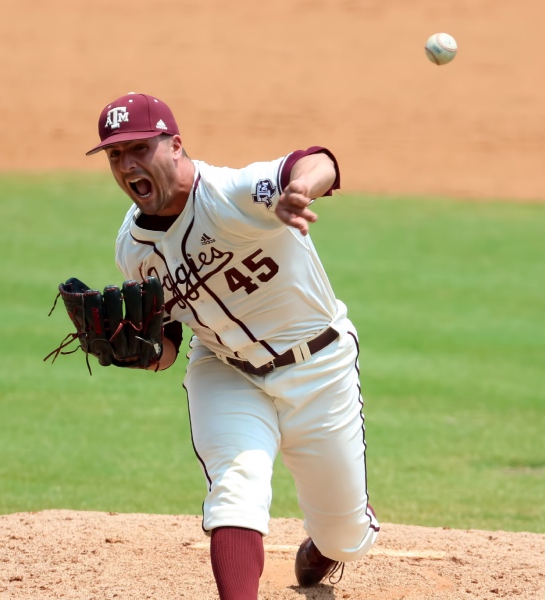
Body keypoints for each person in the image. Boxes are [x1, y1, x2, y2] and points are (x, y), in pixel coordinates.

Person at [86, 92, 379, 599]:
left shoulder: (232, 192)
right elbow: (171, 337)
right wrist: (146, 356)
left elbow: (319, 161)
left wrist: (299, 191)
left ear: (174, 145)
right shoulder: (131, 248)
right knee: (236, 485)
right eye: (116, 155)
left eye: (139, 149)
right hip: (226, 370)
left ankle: (327, 546)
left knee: (344, 535)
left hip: (319, 365)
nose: (127, 164)